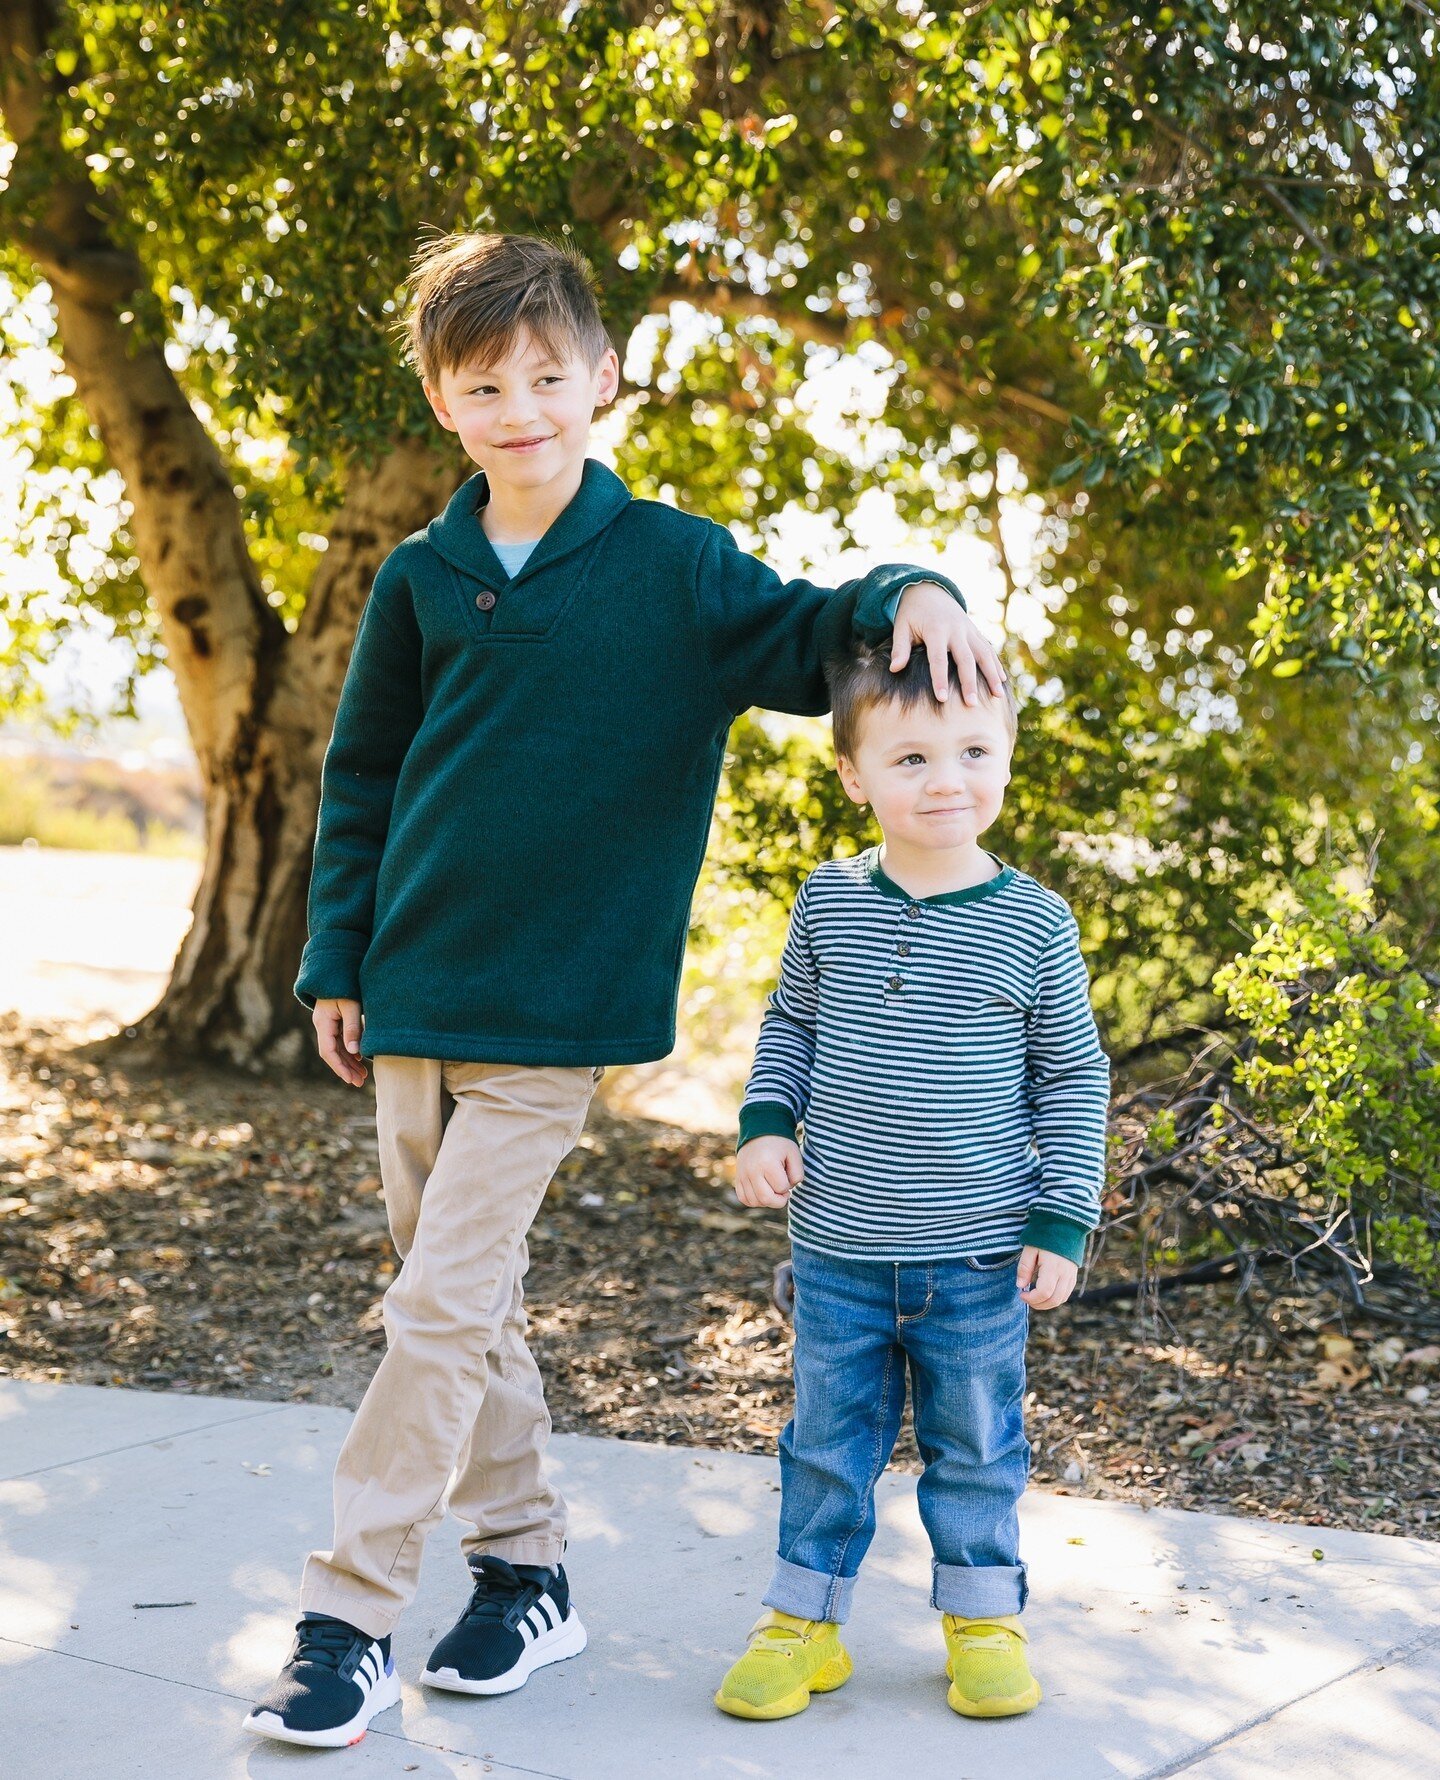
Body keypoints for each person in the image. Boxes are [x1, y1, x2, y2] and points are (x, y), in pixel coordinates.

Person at [243, 230, 1005, 1749]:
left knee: (437, 1305)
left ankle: (346, 1614)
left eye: (546, 372)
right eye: (483, 381)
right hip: (410, 988)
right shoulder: (419, 577)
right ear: (445, 402)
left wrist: (915, 585)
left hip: (557, 1008)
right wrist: (336, 960)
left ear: (602, 376)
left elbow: (814, 627)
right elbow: (365, 777)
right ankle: (526, 1575)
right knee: (468, 1311)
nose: (520, 402)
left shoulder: (672, 567)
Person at [714, 640, 1110, 1723]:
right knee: (827, 1446)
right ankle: (805, 1620)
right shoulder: (829, 902)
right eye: (913, 757)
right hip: (837, 1246)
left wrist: (1064, 1214)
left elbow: (1072, 1073)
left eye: (975, 750)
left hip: (981, 1251)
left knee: (976, 1445)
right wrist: (764, 1121)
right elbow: (790, 1025)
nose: (948, 779)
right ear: (853, 775)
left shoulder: (1035, 922)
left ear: (1009, 755)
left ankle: (982, 1617)